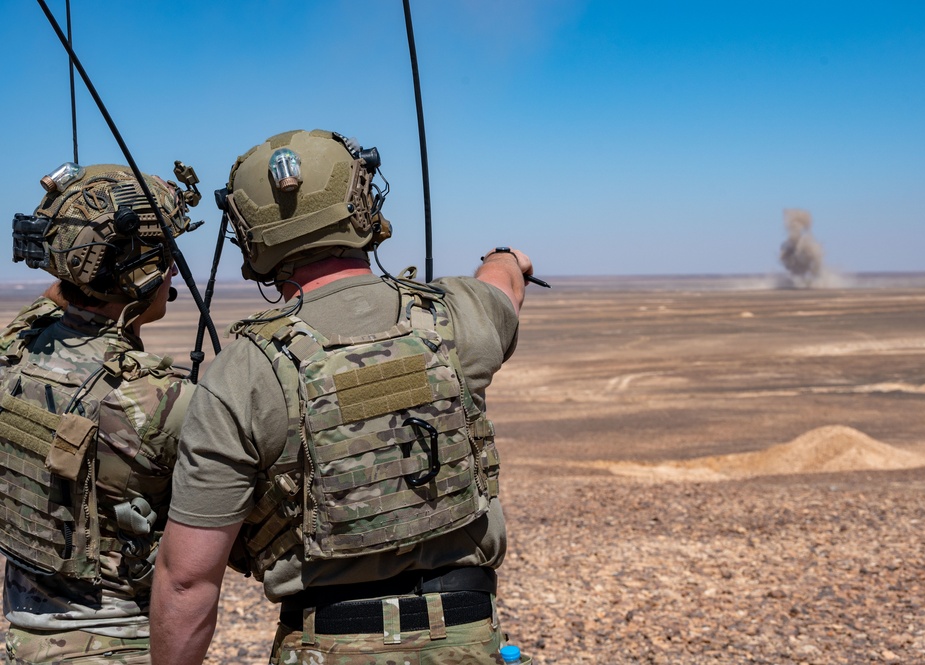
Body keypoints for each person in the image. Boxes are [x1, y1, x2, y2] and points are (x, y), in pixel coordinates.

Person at [150, 129, 535, 664]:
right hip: (465, 639)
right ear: (360, 201)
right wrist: (507, 257)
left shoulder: (239, 372)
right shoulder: (456, 315)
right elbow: (503, 288)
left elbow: (188, 581)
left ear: (248, 232)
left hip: (324, 644)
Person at [0, 163, 201, 663]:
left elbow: (55, 300)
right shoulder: (161, 401)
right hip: (118, 644)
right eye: (166, 255)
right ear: (141, 270)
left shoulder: (15, 353)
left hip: (23, 640)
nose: (172, 268)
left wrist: (80, 244)